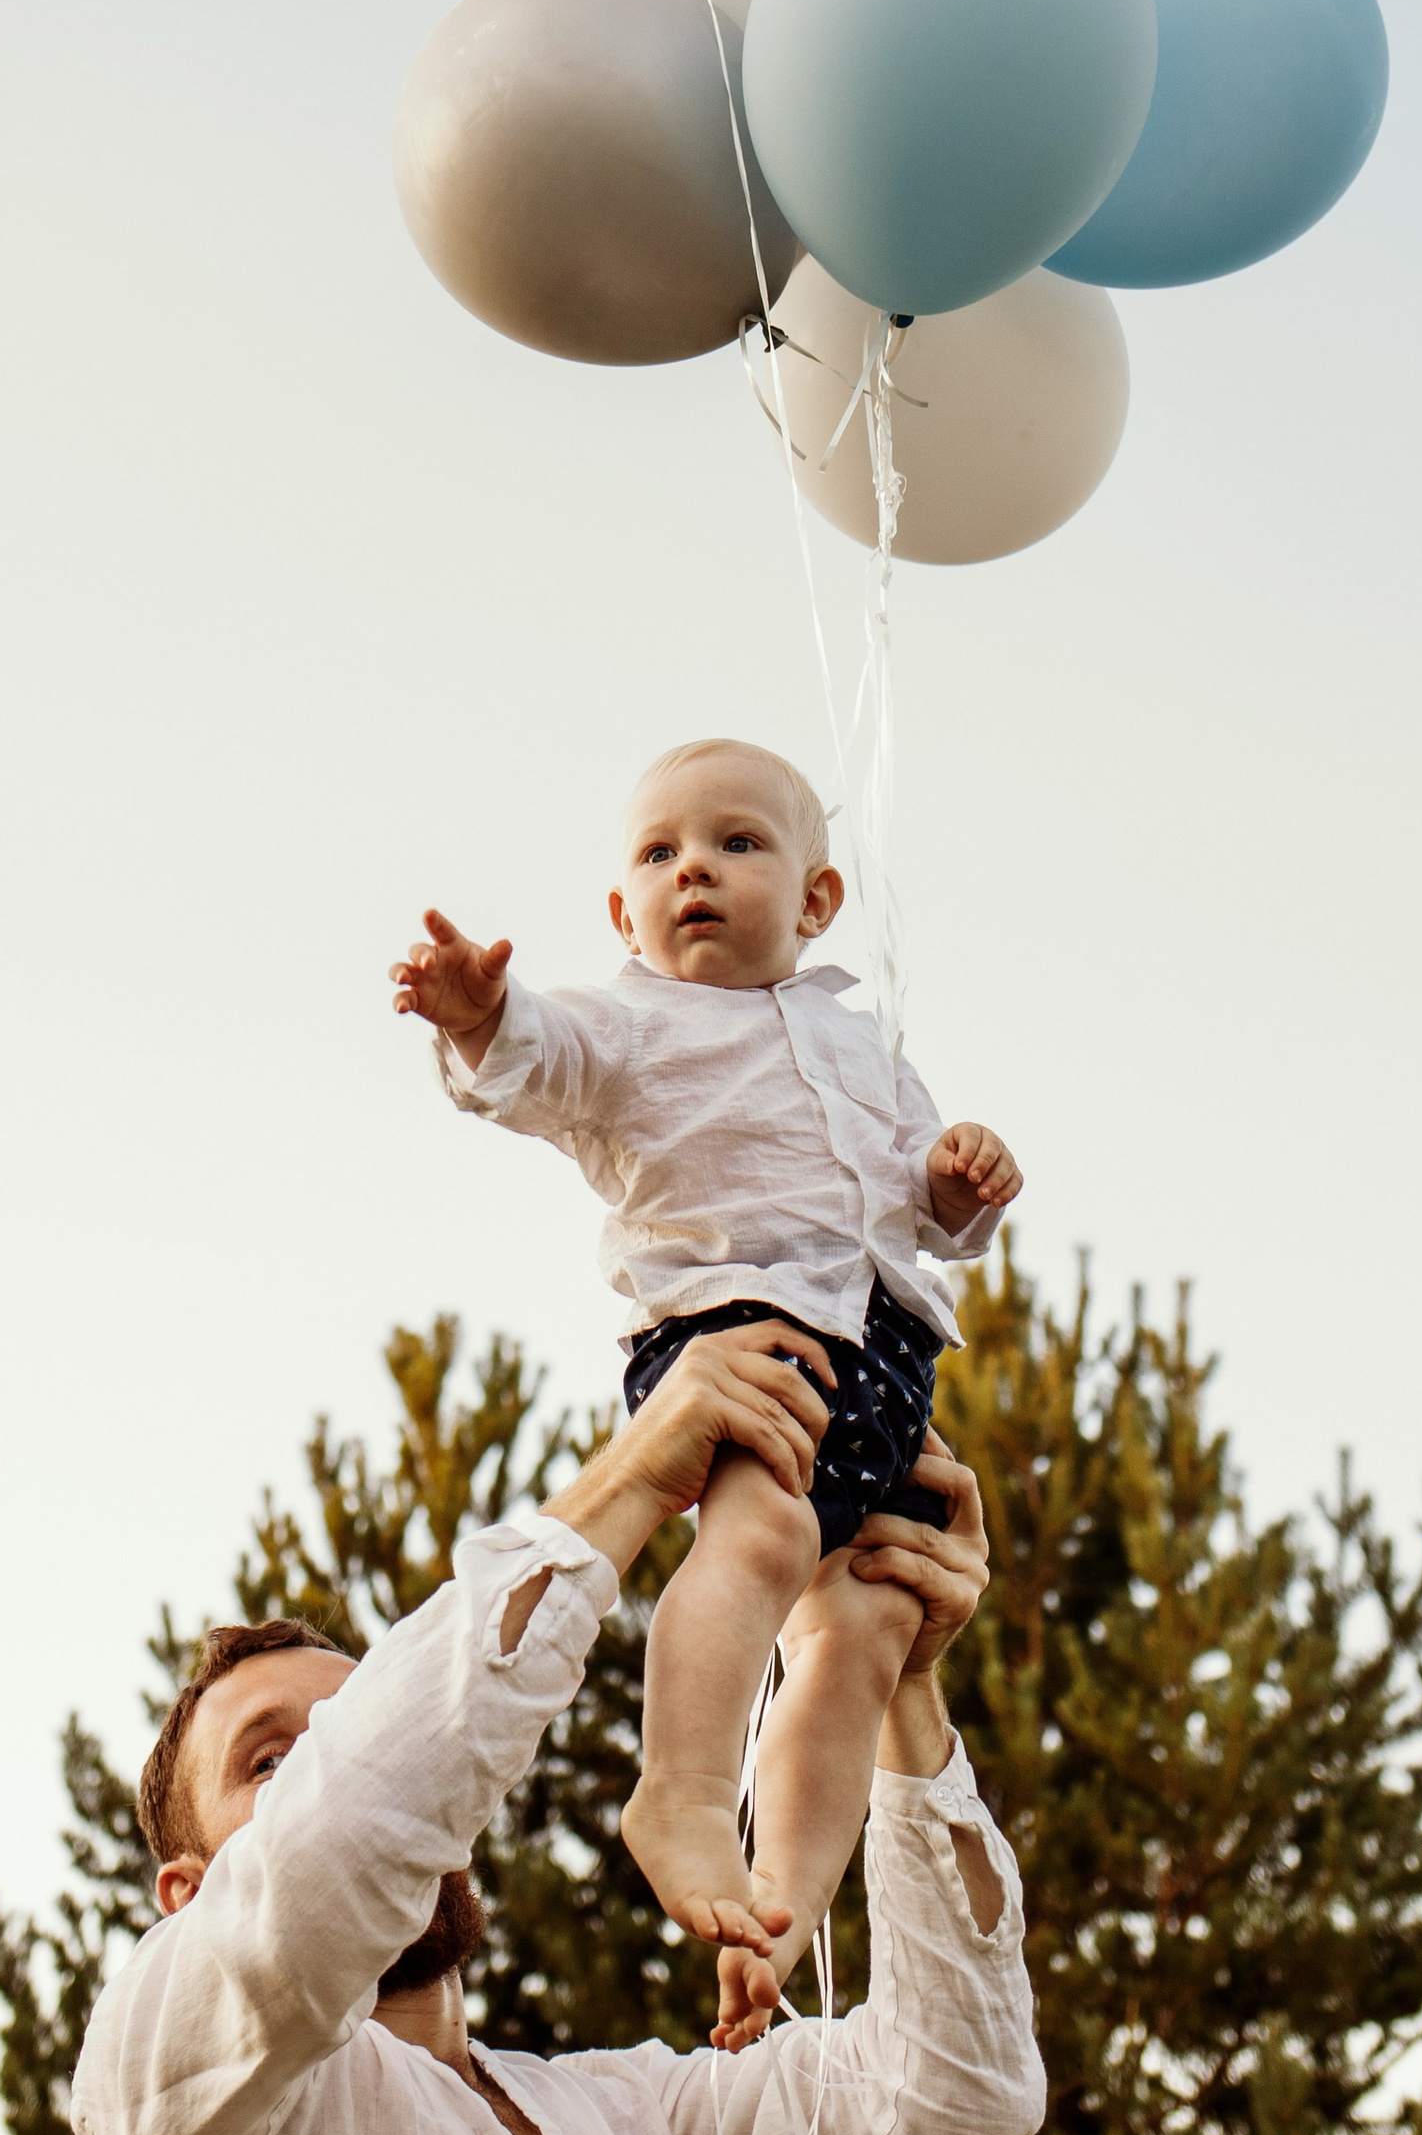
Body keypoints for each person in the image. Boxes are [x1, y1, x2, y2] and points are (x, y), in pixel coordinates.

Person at [72, 1322, 1043, 2135]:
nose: (334, 1757)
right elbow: (341, 1841)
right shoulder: (165, 2091)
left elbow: (953, 2097)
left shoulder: (631, 2124)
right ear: (183, 1891)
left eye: (354, 1718)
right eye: (272, 1760)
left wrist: (900, 1684)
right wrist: (629, 1479)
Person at [392, 736, 1021, 2039]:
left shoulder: (862, 1044)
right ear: (622, 914)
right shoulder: (628, 1025)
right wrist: (476, 1017)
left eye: (737, 844)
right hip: (739, 1336)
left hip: (888, 1357)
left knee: (865, 1628)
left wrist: (960, 1177)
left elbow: (927, 1201)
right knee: (761, 1536)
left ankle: (779, 1906)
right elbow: (534, 1061)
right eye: (660, 853)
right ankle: (679, 1791)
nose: (695, 870)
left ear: (815, 899)